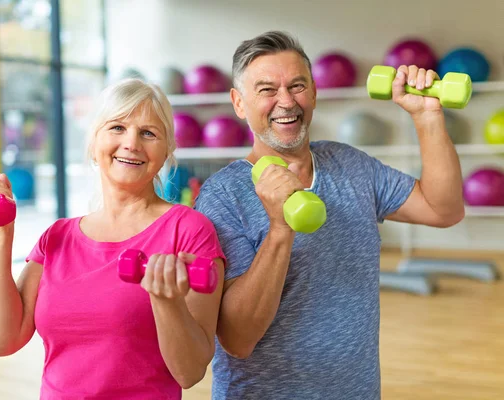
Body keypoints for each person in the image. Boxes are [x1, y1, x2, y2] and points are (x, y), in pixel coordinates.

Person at [194, 30, 465, 399]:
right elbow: (238, 340)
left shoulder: (349, 165)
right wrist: (279, 230)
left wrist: (428, 115)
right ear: (239, 103)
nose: (286, 101)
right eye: (267, 90)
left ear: (315, 92)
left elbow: (443, 209)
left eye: (297, 85)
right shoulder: (223, 196)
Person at [0, 78, 226, 399]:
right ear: (94, 143)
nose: (132, 143)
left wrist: (167, 301)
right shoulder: (57, 237)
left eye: (148, 133)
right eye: (117, 127)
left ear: (166, 153)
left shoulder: (189, 231)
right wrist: (1, 233)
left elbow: (190, 373)